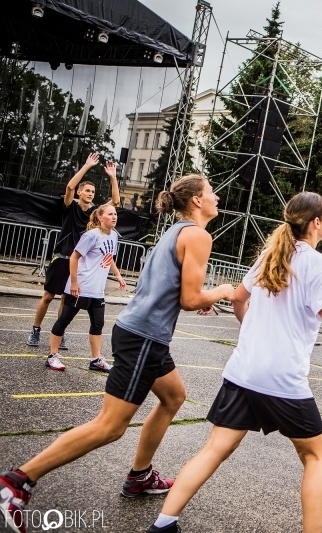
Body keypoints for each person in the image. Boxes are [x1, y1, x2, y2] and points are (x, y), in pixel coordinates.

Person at [144, 192, 322, 533]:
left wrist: (253, 330)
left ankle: (164, 523)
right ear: (316, 223)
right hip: (282, 380)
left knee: (214, 449)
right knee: (315, 457)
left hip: (243, 372)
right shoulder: (317, 265)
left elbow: (238, 298)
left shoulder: (270, 255)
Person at [0, 174, 235, 533]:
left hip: (142, 333)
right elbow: (190, 299)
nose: (217, 197)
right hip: (144, 337)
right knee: (110, 426)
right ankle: (16, 481)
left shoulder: (177, 231)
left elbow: (176, 289)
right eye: (211, 192)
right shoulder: (199, 235)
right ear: (197, 201)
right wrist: (222, 291)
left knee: (174, 397)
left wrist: (201, 296)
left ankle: (139, 476)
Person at [27, 154, 120, 350]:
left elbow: (115, 201)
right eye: (87, 190)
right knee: (48, 296)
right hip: (62, 257)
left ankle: (59, 332)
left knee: (65, 299)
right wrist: (87, 166)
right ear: (80, 192)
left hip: (78, 262)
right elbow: (69, 187)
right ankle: (35, 329)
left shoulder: (95, 213)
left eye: (93, 191)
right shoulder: (70, 207)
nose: (91, 193)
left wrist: (113, 177)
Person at [45, 203, 126, 372]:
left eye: (115, 214)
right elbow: (74, 257)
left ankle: (96, 360)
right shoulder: (91, 236)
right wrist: (74, 282)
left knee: (98, 324)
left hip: (97, 290)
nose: (114, 217)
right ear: (100, 217)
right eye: (110, 214)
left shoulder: (114, 236)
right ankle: (52, 356)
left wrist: (118, 275)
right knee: (64, 321)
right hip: (81, 287)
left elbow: (108, 257)